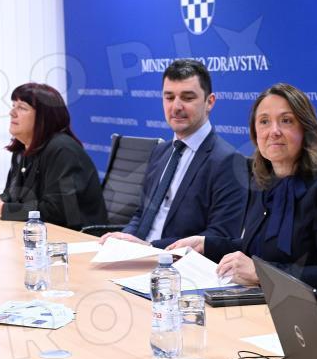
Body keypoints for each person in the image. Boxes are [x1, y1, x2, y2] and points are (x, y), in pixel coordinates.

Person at [168, 83, 317, 299]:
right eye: (264, 121)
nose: (274, 131)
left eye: (286, 121)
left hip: (315, 305)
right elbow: (258, 247)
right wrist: (205, 244)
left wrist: (261, 273)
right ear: (255, 132)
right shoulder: (263, 179)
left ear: (305, 129)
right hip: (266, 296)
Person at [101, 59, 248, 249]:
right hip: (139, 255)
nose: (176, 107)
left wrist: (150, 247)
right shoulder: (160, 151)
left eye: (187, 98)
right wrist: (124, 238)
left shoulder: (228, 161)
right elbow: (141, 214)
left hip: (178, 263)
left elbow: (220, 236)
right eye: (169, 97)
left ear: (209, 102)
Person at [0, 83, 107, 230]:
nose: (12, 113)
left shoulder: (63, 150)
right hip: (39, 233)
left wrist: (2, 209)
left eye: (22, 108)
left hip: (76, 236)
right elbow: (16, 197)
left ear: (44, 117)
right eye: (13, 106)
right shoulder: (21, 149)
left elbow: (59, 211)